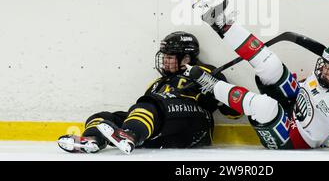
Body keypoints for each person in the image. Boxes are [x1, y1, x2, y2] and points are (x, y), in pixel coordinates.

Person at [182, 0, 329, 154]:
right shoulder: (326, 74)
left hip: (292, 138)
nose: (324, 70)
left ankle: (210, 85)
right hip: (292, 102)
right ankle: (221, 23)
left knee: (264, 106)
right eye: (325, 65)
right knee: (270, 64)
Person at [57, 31, 241, 154]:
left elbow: (234, 113)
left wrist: (214, 89)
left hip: (196, 125)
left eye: (170, 57)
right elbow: (146, 111)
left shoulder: (205, 72)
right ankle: (94, 140)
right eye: (165, 57)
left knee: (151, 104)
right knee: (105, 116)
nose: (165, 62)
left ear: (186, 58)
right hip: (165, 125)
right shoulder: (157, 84)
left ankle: (130, 135)